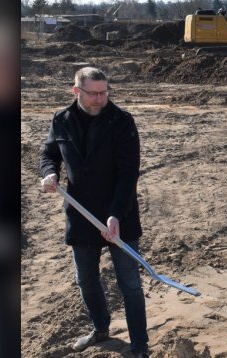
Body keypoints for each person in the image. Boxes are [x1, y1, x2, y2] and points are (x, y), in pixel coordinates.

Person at [39, 67, 150, 358]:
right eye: (93, 94)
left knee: (129, 283)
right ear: (76, 91)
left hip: (119, 215)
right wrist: (50, 174)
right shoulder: (61, 120)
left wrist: (115, 214)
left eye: (104, 92)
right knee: (85, 279)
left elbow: (128, 175)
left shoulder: (122, 122)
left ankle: (139, 344)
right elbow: (48, 154)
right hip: (80, 214)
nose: (100, 99)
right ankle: (100, 328)